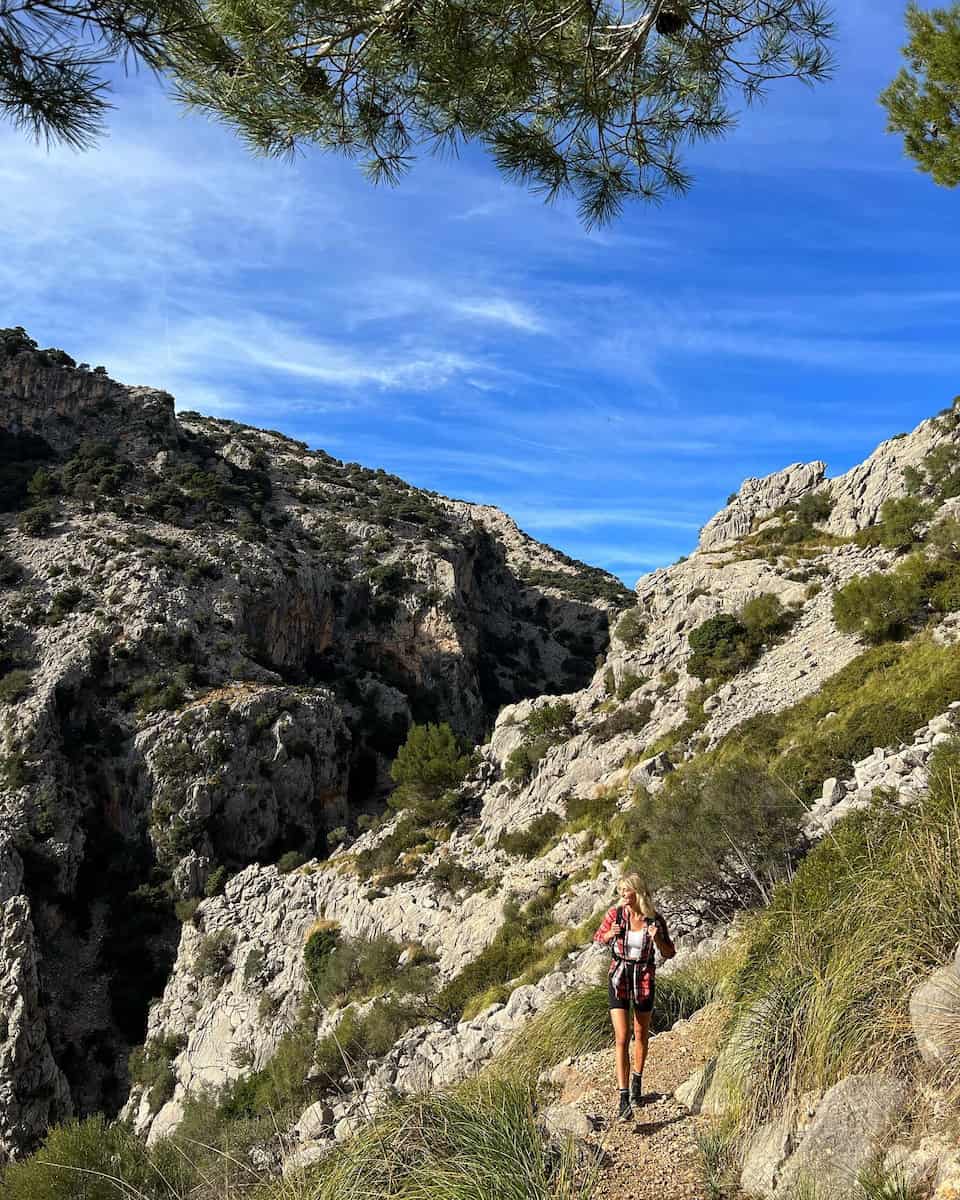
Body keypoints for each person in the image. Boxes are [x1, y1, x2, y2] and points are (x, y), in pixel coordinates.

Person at [593, 873, 675, 1121]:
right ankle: (623, 1098)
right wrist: (609, 935)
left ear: (637, 892)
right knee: (621, 1037)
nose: (622, 895)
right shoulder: (615, 915)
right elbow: (598, 937)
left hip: (643, 978)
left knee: (641, 1033)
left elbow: (669, 952)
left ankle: (637, 1081)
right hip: (619, 976)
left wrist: (657, 937)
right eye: (620, 890)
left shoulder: (655, 920)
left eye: (625, 891)